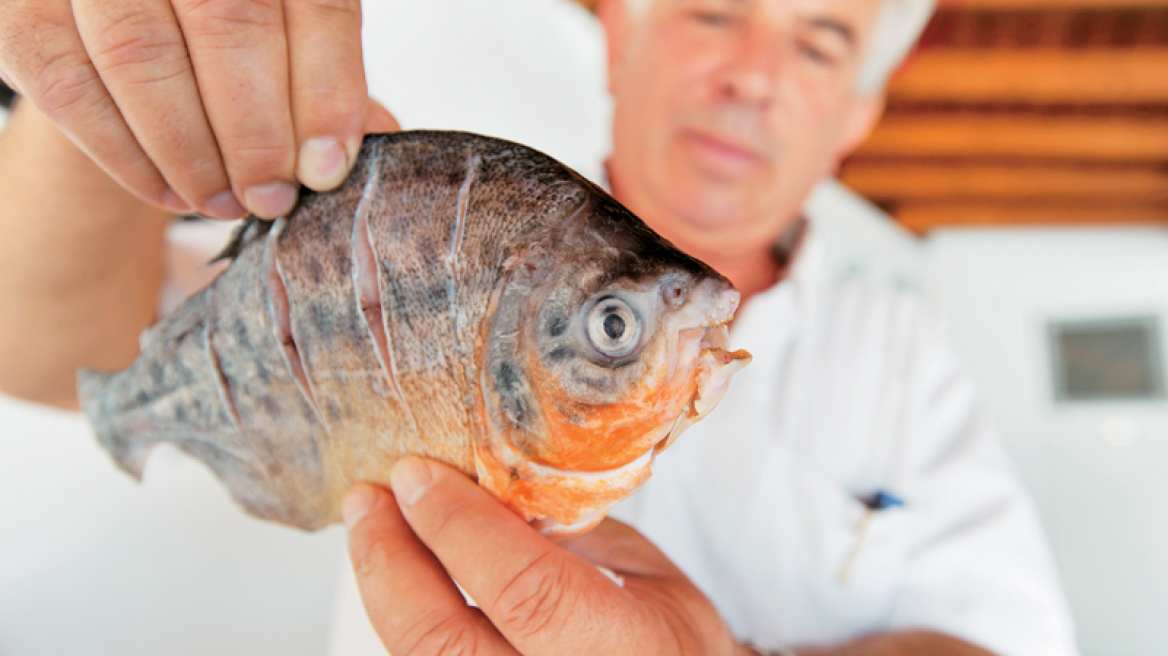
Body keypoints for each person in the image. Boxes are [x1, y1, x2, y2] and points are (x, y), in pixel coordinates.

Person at [0, 0, 1078, 655]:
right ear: (619, 40)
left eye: (819, 38)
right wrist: (89, 98)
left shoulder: (908, 358)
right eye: (712, 11)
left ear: (854, 118)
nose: (750, 70)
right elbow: (57, 355)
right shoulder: (429, 237)